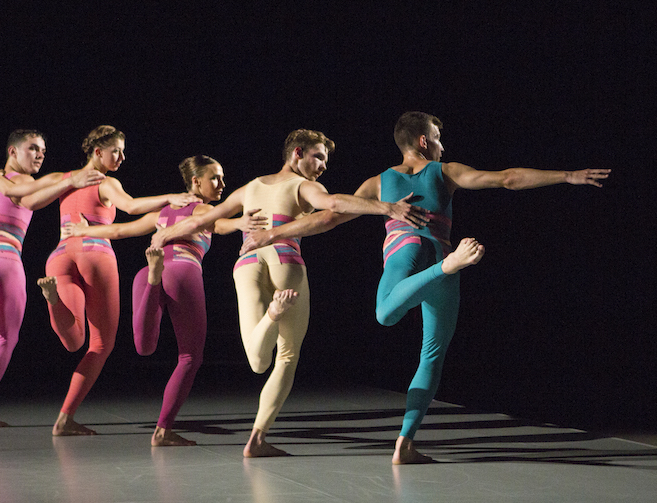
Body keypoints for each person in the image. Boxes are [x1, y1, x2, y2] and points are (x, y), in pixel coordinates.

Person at [239, 111, 611, 464]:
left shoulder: (377, 183)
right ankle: (405, 443)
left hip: (404, 252)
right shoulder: (446, 171)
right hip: (440, 254)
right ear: (422, 141)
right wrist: (566, 175)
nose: (442, 146)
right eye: (437, 138)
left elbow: (327, 219)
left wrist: (272, 233)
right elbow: (508, 178)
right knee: (431, 354)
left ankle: (406, 444)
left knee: (386, 315)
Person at [150, 129, 421, 457]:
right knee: (287, 356)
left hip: (245, 262)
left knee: (257, 361)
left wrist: (162, 237)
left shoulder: (251, 187)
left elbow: (203, 220)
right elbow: (333, 206)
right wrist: (387, 208)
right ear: (297, 153)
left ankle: (271, 317)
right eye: (318, 156)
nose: (322, 165)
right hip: (284, 257)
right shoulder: (304, 186)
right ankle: (257, 439)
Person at [62, 155, 262, 446]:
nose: (221, 184)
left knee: (144, 348)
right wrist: (240, 221)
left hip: (146, 272)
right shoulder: (206, 208)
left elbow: (120, 230)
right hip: (183, 270)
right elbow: (217, 226)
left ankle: (155, 277)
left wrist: (83, 230)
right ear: (195, 182)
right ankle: (163, 431)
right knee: (190, 357)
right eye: (215, 178)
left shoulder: (164, 211)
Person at [36, 126, 201, 436]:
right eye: (117, 151)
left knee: (73, 341)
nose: (123, 157)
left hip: (58, 255)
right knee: (101, 344)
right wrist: (171, 196)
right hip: (95, 254)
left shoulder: (63, 180)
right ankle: (65, 418)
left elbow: (27, 198)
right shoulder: (106, 181)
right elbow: (131, 207)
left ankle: (53, 299)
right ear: (97, 152)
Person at [0, 129, 105, 428]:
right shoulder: (23, 183)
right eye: (33, 148)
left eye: (43, 149)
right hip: (2, 259)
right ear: (12, 152)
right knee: (4, 339)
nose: (40, 154)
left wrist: (68, 178)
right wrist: (76, 178)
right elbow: (37, 194)